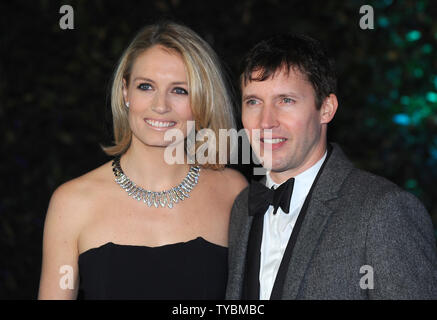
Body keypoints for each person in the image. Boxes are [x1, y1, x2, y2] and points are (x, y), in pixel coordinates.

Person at [38, 22, 247, 299]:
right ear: (125, 92)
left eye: (180, 90)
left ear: (202, 99)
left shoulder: (231, 191)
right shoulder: (72, 203)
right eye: (146, 86)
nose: (160, 105)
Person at [226, 34, 437, 299]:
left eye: (286, 100)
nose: (266, 121)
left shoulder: (383, 211)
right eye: (253, 102)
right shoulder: (241, 207)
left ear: (326, 108)